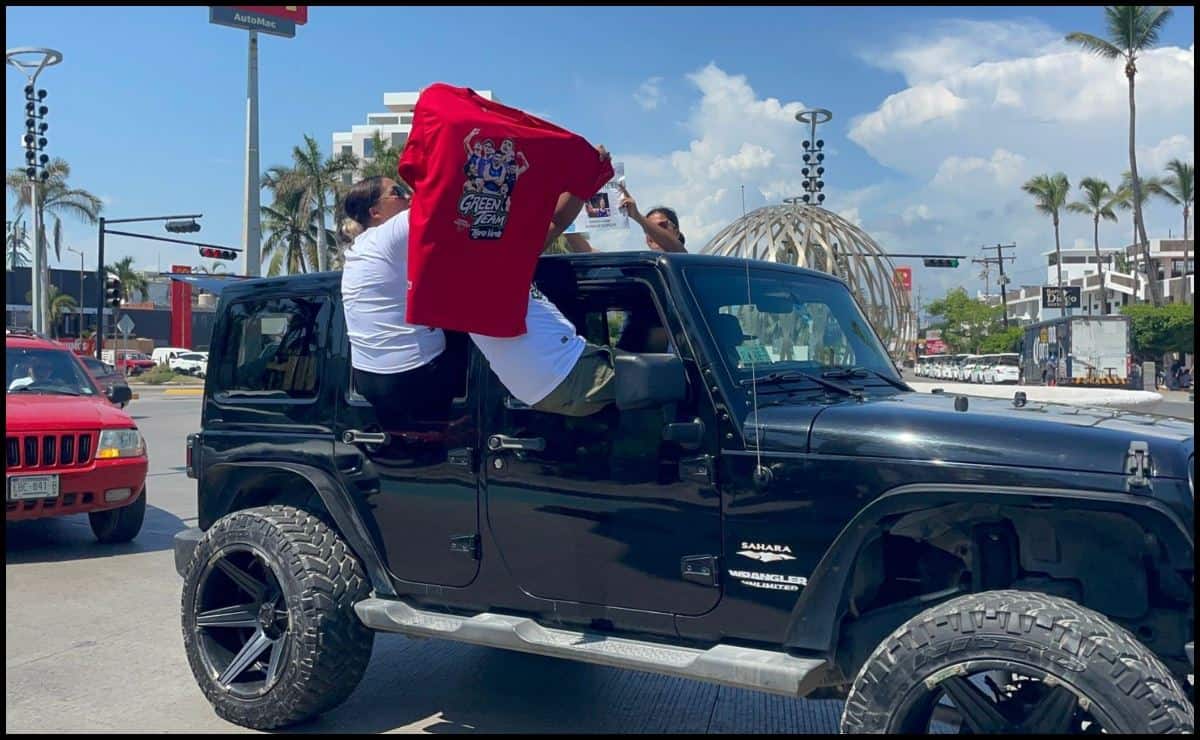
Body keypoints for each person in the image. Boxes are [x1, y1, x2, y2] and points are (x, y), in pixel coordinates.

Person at [340, 176, 454, 423]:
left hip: (366, 377)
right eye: (398, 192)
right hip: (412, 374)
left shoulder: (358, 248)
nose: (408, 196)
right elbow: (438, 203)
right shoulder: (386, 235)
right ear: (375, 212)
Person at [563, 183, 686, 254]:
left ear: (676, 232)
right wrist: (563, 222)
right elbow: (588, 252)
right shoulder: (641, 266)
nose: (654, 233)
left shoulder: (685, 262)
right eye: (649, 229)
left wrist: (637, 216)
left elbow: (675, 248)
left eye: (662, 226)